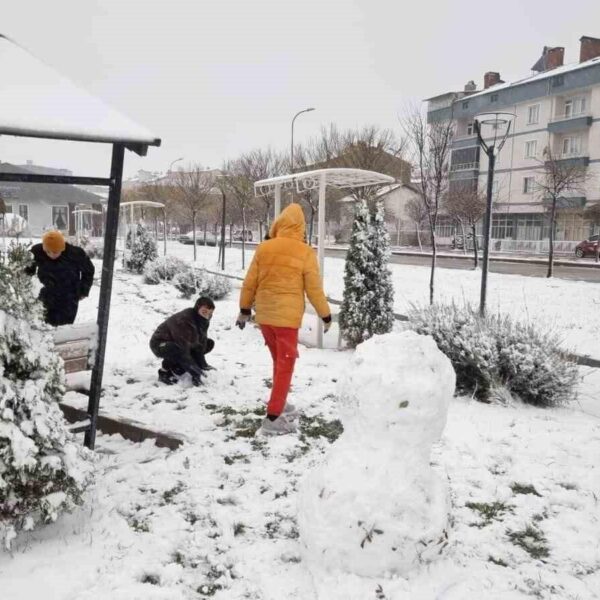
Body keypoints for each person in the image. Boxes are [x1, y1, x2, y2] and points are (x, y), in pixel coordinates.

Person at [236, 203, 331, 436]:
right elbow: (314, 289)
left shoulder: (264, 248)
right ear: (301, 227)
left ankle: (280, 401)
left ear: (279, 223)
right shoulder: (304, 252)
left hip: (266, 317)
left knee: (279, 363)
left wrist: (244, 310)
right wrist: (325, 315)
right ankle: (273, 418)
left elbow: (250, 282)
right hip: (286, 320)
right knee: (285, 366)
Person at [26, 230, 95, 326]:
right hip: (45, 296)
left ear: (62, 248)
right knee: (45, 327)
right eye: (48, 252)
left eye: (55, 252)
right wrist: (28, 288)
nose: (51, 255)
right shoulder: (37, 251)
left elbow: (89, 271)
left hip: (68, 298)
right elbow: (27, 269)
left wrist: (84, 290)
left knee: (64, 328)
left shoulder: (75, 254)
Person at [150, 296, 216, 386]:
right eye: (204, 312)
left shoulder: (203, 319)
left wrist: (203, 365)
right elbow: (183, 347)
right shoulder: (184, 320)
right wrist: (196, 372)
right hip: (159, 344)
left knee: (208, 343)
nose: (207, 315)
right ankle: (164, 372)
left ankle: (177, 368)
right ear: (197, 308)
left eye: (210, 313)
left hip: (179, 342)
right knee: (176, 348)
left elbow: (201, 340)